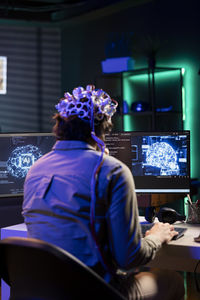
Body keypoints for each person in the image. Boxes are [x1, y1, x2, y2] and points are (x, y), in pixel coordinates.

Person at [22, 85, 185, 300]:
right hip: (94, 293)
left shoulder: (36, 169)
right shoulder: (113, 171)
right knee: (171, 280)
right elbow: (129, 258)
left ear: (59, 127)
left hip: (42, 291)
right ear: (101, 131)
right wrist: (156, 236)